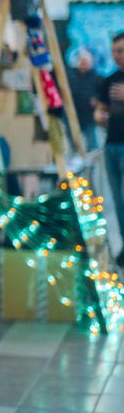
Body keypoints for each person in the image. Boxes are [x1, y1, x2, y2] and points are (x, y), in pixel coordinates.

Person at [94, 32, 124, 268]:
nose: (118, 56)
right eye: (115, 51)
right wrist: (99, 116)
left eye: (122, 50)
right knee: (117, 201)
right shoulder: (109, 80)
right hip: (111, 145)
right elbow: (101, 109)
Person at [67, 49, 103, 151]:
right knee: (73, 143)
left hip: (89, 116)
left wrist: (97, 100)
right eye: (81, 62)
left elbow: (102, 94)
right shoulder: (71, 76)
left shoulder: (97, 77)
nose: (83, 65)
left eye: (86, 62)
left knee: (91, 142)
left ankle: (92, 165)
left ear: (91, 63)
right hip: (73, 114)